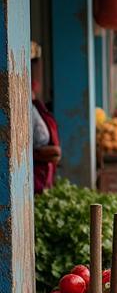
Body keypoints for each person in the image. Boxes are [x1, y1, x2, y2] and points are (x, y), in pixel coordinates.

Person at [30, 42, 61, 194]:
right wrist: (40, 154)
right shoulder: (27, 108)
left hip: (43, 181)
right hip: (33, 181)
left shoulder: (37, 106)